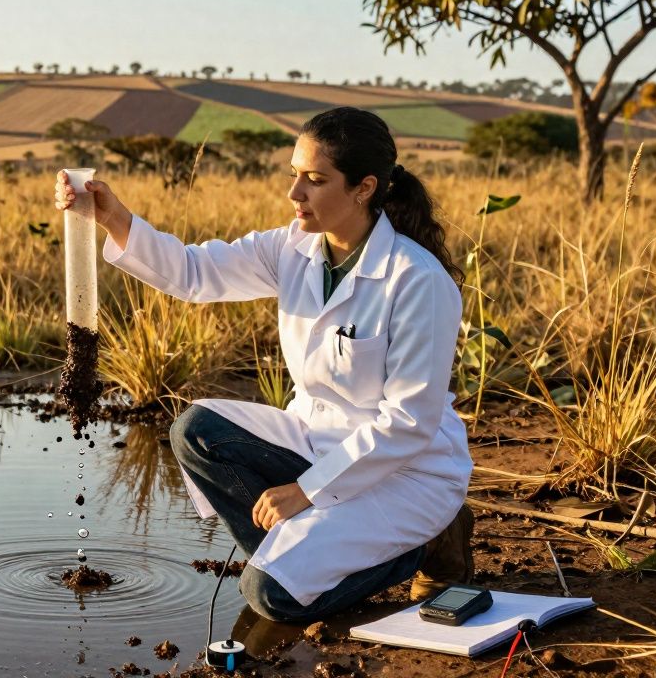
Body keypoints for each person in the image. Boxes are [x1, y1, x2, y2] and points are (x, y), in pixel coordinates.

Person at [53, 107, 475, 623]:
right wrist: (113, 216)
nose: (295, 193)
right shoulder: (291, 247)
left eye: (315, 179)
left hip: (404, 474)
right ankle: (301, 554)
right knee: (196, 431)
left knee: (271, 595)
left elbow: (408, 423)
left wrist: (305, 492)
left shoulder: (416, 279)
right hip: (315, 442)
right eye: (294, 174)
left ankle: (429, 544)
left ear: (364, 188)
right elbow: (194, 273)